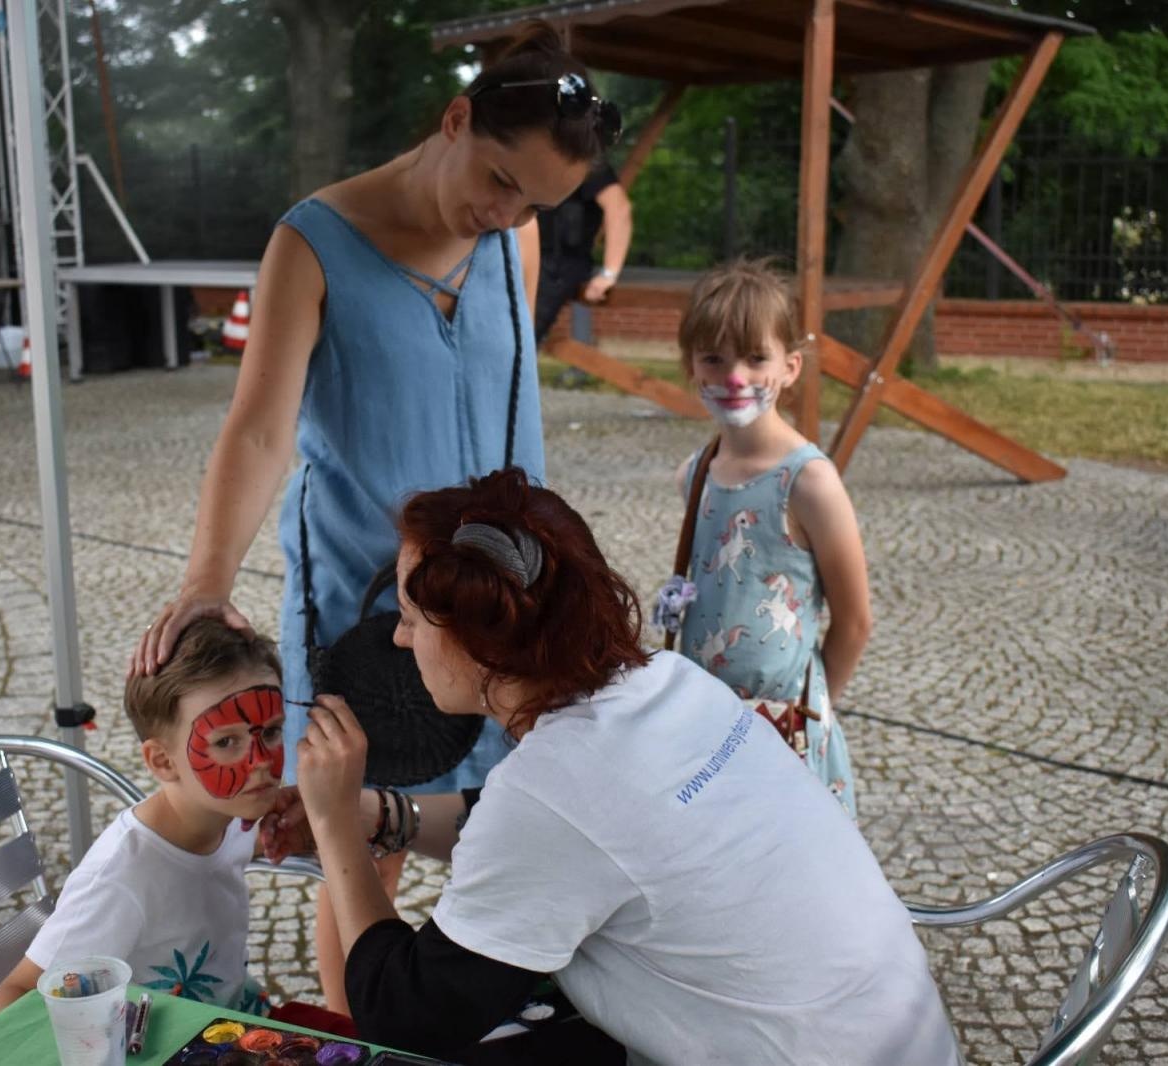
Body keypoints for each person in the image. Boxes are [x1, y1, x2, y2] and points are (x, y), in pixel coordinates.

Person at [129, 24, 619, 1014]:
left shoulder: (510, 235)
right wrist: (206, 581)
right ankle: (357, 1034)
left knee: (539, 810)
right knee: (358, 838)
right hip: (368, 610)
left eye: (536, 202)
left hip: (502, 598)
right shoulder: (312, 241)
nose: (506, 212)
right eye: (497, 180)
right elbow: (261, 427)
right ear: (455, 119)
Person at [271, 468, 960, 1066]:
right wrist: (386, 816)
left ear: (476, 639)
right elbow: (558, 832)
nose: (398, 635)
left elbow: (407, 1012)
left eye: (414, 615)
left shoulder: (553, 790)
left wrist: (335, 826)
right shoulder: (669, 683)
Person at [0, 621, 343, 1031]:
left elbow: (210, 862)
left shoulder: (230, 817)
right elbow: (13, 996)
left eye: (272, 732)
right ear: (161, 761)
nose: (260, 759)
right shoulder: (121, 878)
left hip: (241, 1025)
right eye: (227, 742)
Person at [664, 258, 870, 817]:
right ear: (691, 366)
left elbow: (854, 621)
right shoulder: (696, 474)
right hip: (703, 732)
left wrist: (808, 709)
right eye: (715, 358)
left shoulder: (809, 483)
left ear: (790, 367)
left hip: (784, 734)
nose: (735, 377)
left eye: (756, 358)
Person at [532, 158, 632, 345]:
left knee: (519, 341)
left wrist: (609, 273)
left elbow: (619, 208)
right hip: (528, 258)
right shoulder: (536, 150)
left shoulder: (582, 157)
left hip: (557, 264)